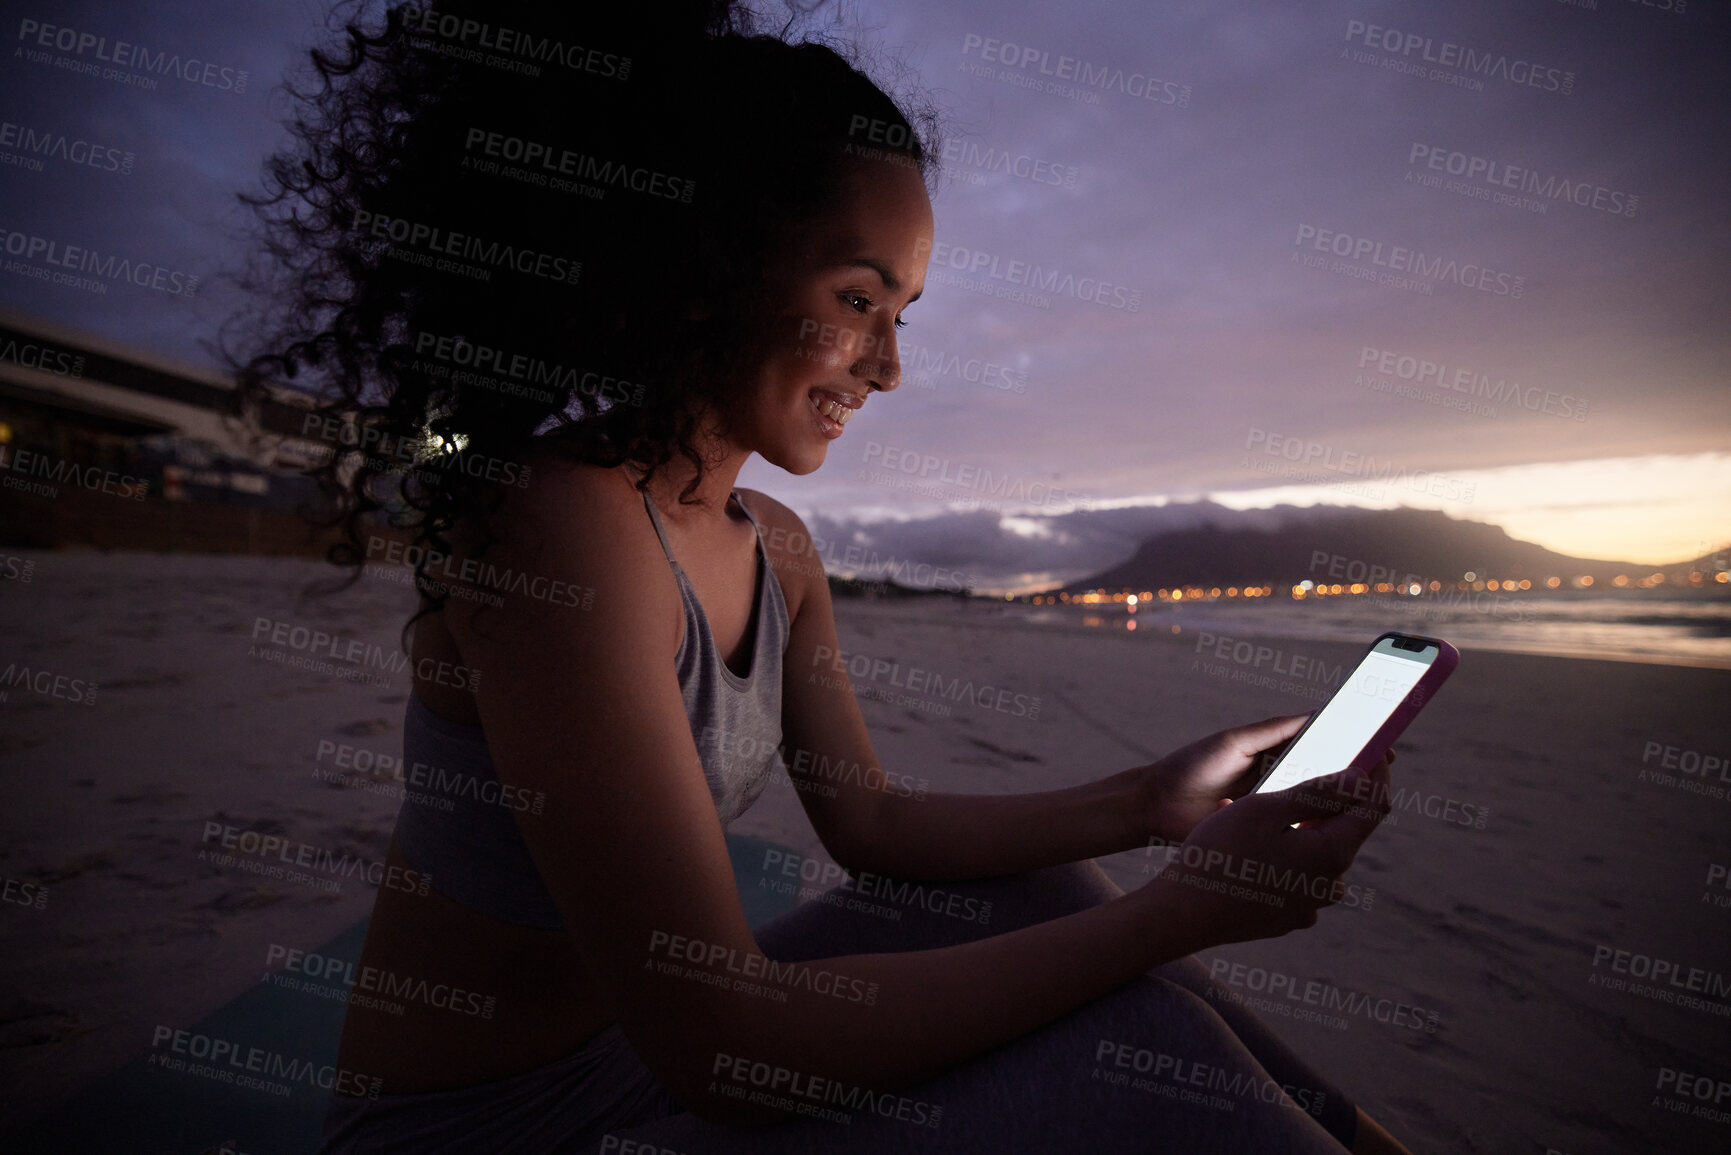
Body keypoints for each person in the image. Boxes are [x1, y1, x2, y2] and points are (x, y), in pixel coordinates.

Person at [231, 2, 1416, 1151]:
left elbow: (874, 822)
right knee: (1135, 1043)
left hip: (635, 1068)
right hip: (495, 1125)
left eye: (901, 314)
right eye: (856, 302)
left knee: (1054, 895)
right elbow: (726, 1049)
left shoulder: (777, 548)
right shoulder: (558, 530)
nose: (889, 367)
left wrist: (1154, 801)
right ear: (704, 269)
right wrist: (1188, 910)